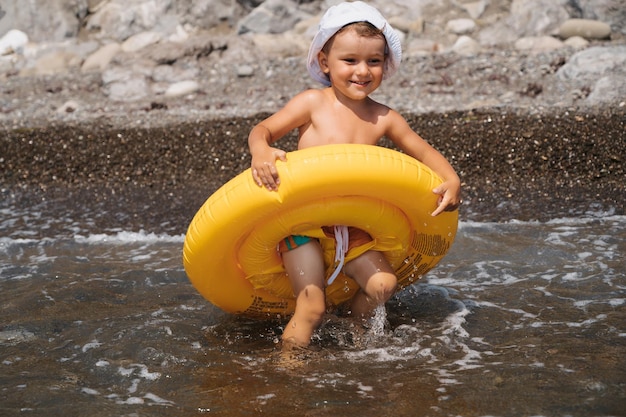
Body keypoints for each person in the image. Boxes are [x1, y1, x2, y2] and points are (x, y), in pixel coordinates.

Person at [247, 1, 461, 348]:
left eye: (373, 61)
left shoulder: (383, 116)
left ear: (384, 65)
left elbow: (423, 151)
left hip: (351, 223)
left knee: (383, 285)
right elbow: (262, 130)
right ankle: (287, 372)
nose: (362, 71)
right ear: (324, 62)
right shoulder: (312, 103)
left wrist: (451, 179)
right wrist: (261, 150)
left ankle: (354, 331)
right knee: (312, 307)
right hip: (304, 223)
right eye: (350, 60)